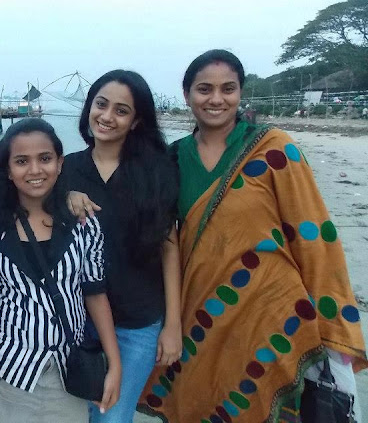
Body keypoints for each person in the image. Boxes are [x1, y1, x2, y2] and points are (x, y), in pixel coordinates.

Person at [138, 49, 367, 422]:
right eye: (204, 89)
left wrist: (331, 323)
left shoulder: (273, 149)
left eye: (228, 89)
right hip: (203, 311)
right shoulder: (174, 158)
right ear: (187, 95)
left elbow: (313, 237)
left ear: (240, 93)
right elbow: (164, 240)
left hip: (273, 309)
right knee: (205, 397)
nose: (216, 99)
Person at [0, 118, 121, 422]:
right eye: (21, 161)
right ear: (8, 169)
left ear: (60, 163)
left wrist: (114, 363)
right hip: (9, 368)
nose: (35, 170)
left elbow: (95, 293)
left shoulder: (83, 223)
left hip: (67, 370)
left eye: (45, 158)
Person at [62, 70, 182, 423]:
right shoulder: (65, 169)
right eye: (101, 104)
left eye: (121, 110)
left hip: (137, 323)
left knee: (111, 417)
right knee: (76, 415)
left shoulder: (156, 172)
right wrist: (65, 197)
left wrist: (172, 325)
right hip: (76, 322)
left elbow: (169, 248)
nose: (107, 116)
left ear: (136, 121)